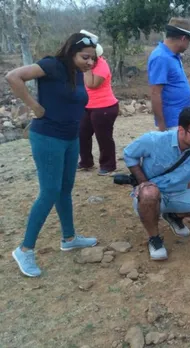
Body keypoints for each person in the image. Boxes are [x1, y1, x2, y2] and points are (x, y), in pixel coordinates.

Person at [6, 33, 99, 277]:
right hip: (48, 137)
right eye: (85, 57)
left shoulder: (76, 72)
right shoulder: (52, 65)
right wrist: (33, 106)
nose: (90, 63)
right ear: (71, 52)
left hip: (70, 137)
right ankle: (24, 249)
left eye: (93, 59)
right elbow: (13, 76)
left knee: (65, 188)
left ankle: (69, 237)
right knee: (49, 191)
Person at [123, 107, 190, 260]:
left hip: (179, 194)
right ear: (181, 130)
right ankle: (154, 239)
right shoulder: (154, 140)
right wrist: (143, 182)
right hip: (151, 198)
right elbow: (129, 154)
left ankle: (174, 216)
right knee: (149, 193)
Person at [78, 32, 119, 176]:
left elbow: (92, 84)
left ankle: (108, 165)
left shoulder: (101, 65)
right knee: (82, 133)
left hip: (104, 107)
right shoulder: (81, 64)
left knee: (104, 137)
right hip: (88, 106)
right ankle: (86, 161)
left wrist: (87, 68)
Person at [147, 17, 190, 131]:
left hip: (181, 118)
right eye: (189, 41)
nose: (188, 45)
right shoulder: (161, 57)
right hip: (172, 122)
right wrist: (162, 125)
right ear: (183, 38)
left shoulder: (173, 56)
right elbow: (155, 93)